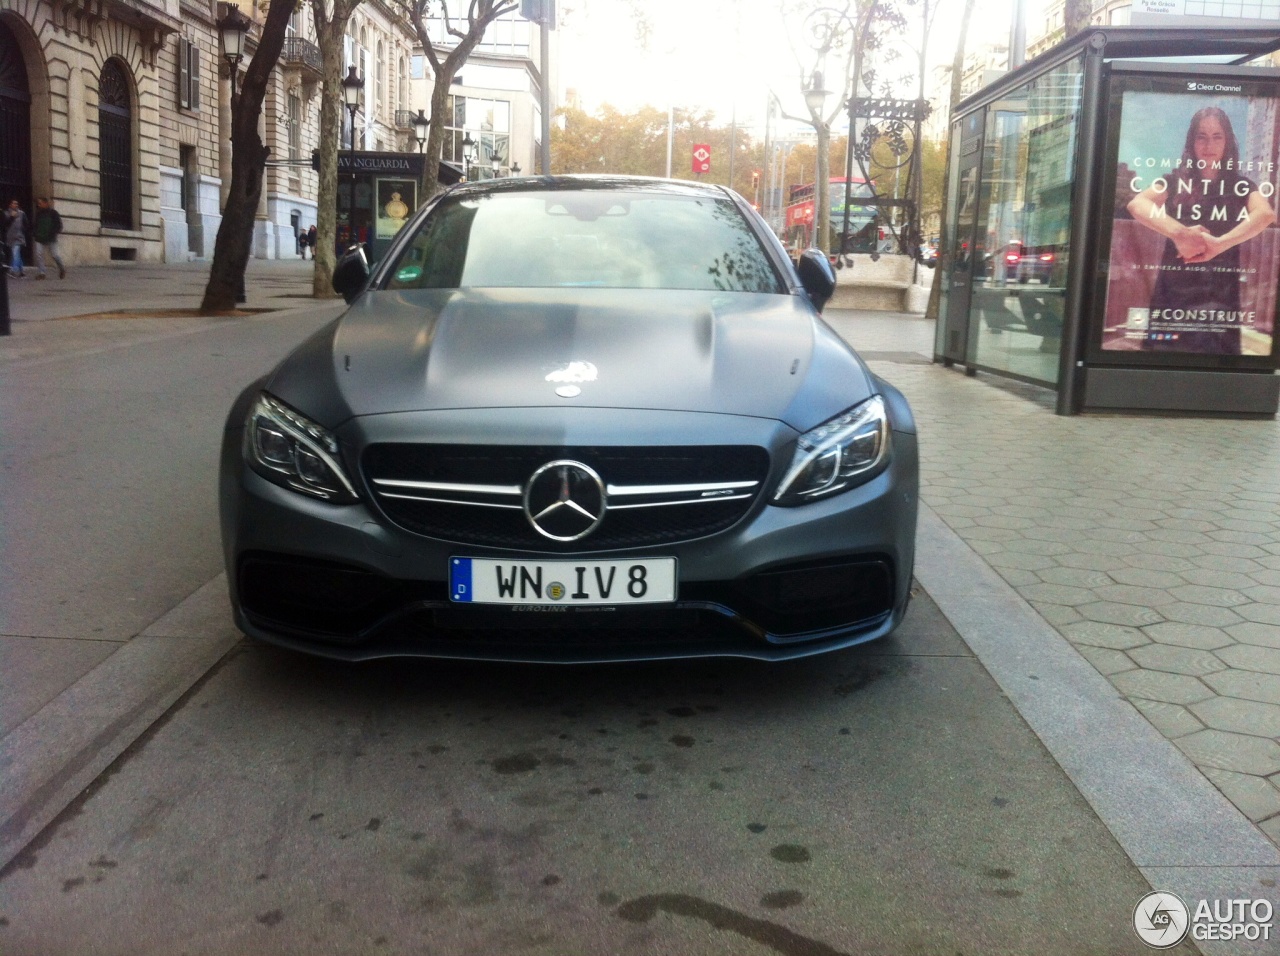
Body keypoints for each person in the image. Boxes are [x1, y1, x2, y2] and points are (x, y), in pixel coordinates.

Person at [1126, 106, 1276, 354]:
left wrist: (1221, 243)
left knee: (1219, 363)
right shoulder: (1175, 179)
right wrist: (1180, 233)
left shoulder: (1239, 184)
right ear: (1192, 141)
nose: (1209, 144)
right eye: (1201, 136)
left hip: (1219, 289)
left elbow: (1265, 214)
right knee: (1162, 360)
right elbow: (1137, 204)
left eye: (1217, 136)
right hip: (1175, 287)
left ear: (1227, 141)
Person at [32, 197, 66, 280]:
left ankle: (61, 268)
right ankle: (42, 273)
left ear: (45, 203)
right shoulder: (38, 213)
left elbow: (59, 226)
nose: (39, 205)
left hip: (51, 238)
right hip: (39, 237)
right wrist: (35, 233)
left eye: (40, 203)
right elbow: (35, 225)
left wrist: (53, 233)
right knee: (39, 254)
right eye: (38, 204)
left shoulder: (53, 213)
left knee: (55, 255)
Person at [5, 198, 28, 278]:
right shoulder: (6, 213)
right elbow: (5, 224)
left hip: (19, 237)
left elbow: (26, 224)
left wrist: (22, 231)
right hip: (10, 236)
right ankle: (22, 271)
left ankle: (13, 270)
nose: (16, 205)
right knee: (17, 254)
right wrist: (12, 217)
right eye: (14, 203)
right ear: (10, 205)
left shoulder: (22, 213)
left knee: (15, 253)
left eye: (17, 204)